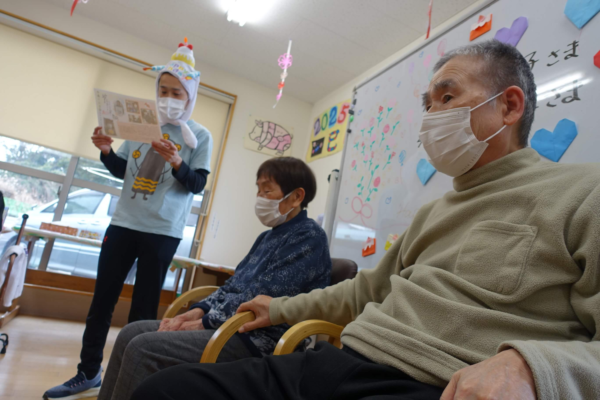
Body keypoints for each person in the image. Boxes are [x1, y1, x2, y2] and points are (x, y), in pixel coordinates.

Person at [132, 40, 600, 400]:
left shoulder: (581, 193)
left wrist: (534, 366)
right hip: (340, 362)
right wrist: (277, 308)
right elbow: (365, 292)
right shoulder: (433, 213)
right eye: (428, 104)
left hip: (439, 382)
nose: (432, 116)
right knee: (166, 391)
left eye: (447, 96)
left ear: (510, 106)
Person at [44, 39, 213, 400]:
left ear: (190, 94)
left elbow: (197, 183)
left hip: (162, 232)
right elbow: (126, 170)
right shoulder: (143, 121)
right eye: (163, 90)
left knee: (142, 311)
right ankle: (87, 373)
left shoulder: (198, 135)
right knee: (101, 302)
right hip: (123, 223)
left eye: (177, 92)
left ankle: (128, 379)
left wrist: (176, 161)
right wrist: (106, 151)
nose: (168, 97)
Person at [96, 157, 332, 400]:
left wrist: (206, 322)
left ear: (296, 197)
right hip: (233, 328)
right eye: (258, 190)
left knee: (143, 348)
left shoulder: (309, 237)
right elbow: (234, 286)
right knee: (130, 333)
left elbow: (263, 298)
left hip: (260, 340)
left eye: (268, 189)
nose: (260, 197)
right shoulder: (266, 238)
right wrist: (198, 311)